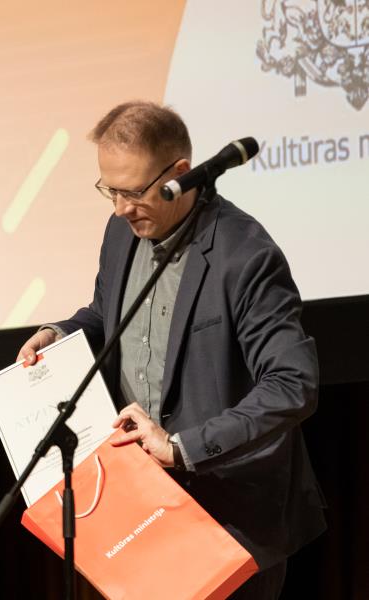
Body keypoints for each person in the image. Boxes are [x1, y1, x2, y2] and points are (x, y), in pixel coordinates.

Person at [18, 101, 325, 598]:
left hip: (227, 516)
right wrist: (61, 333)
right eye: (111, 191)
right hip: (140, 508)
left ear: (180, 172)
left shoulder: (245, 254)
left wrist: (182, 448)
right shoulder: (122, 232)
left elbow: (293, 385)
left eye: (134, 192)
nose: (120, 208)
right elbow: (107, 313)